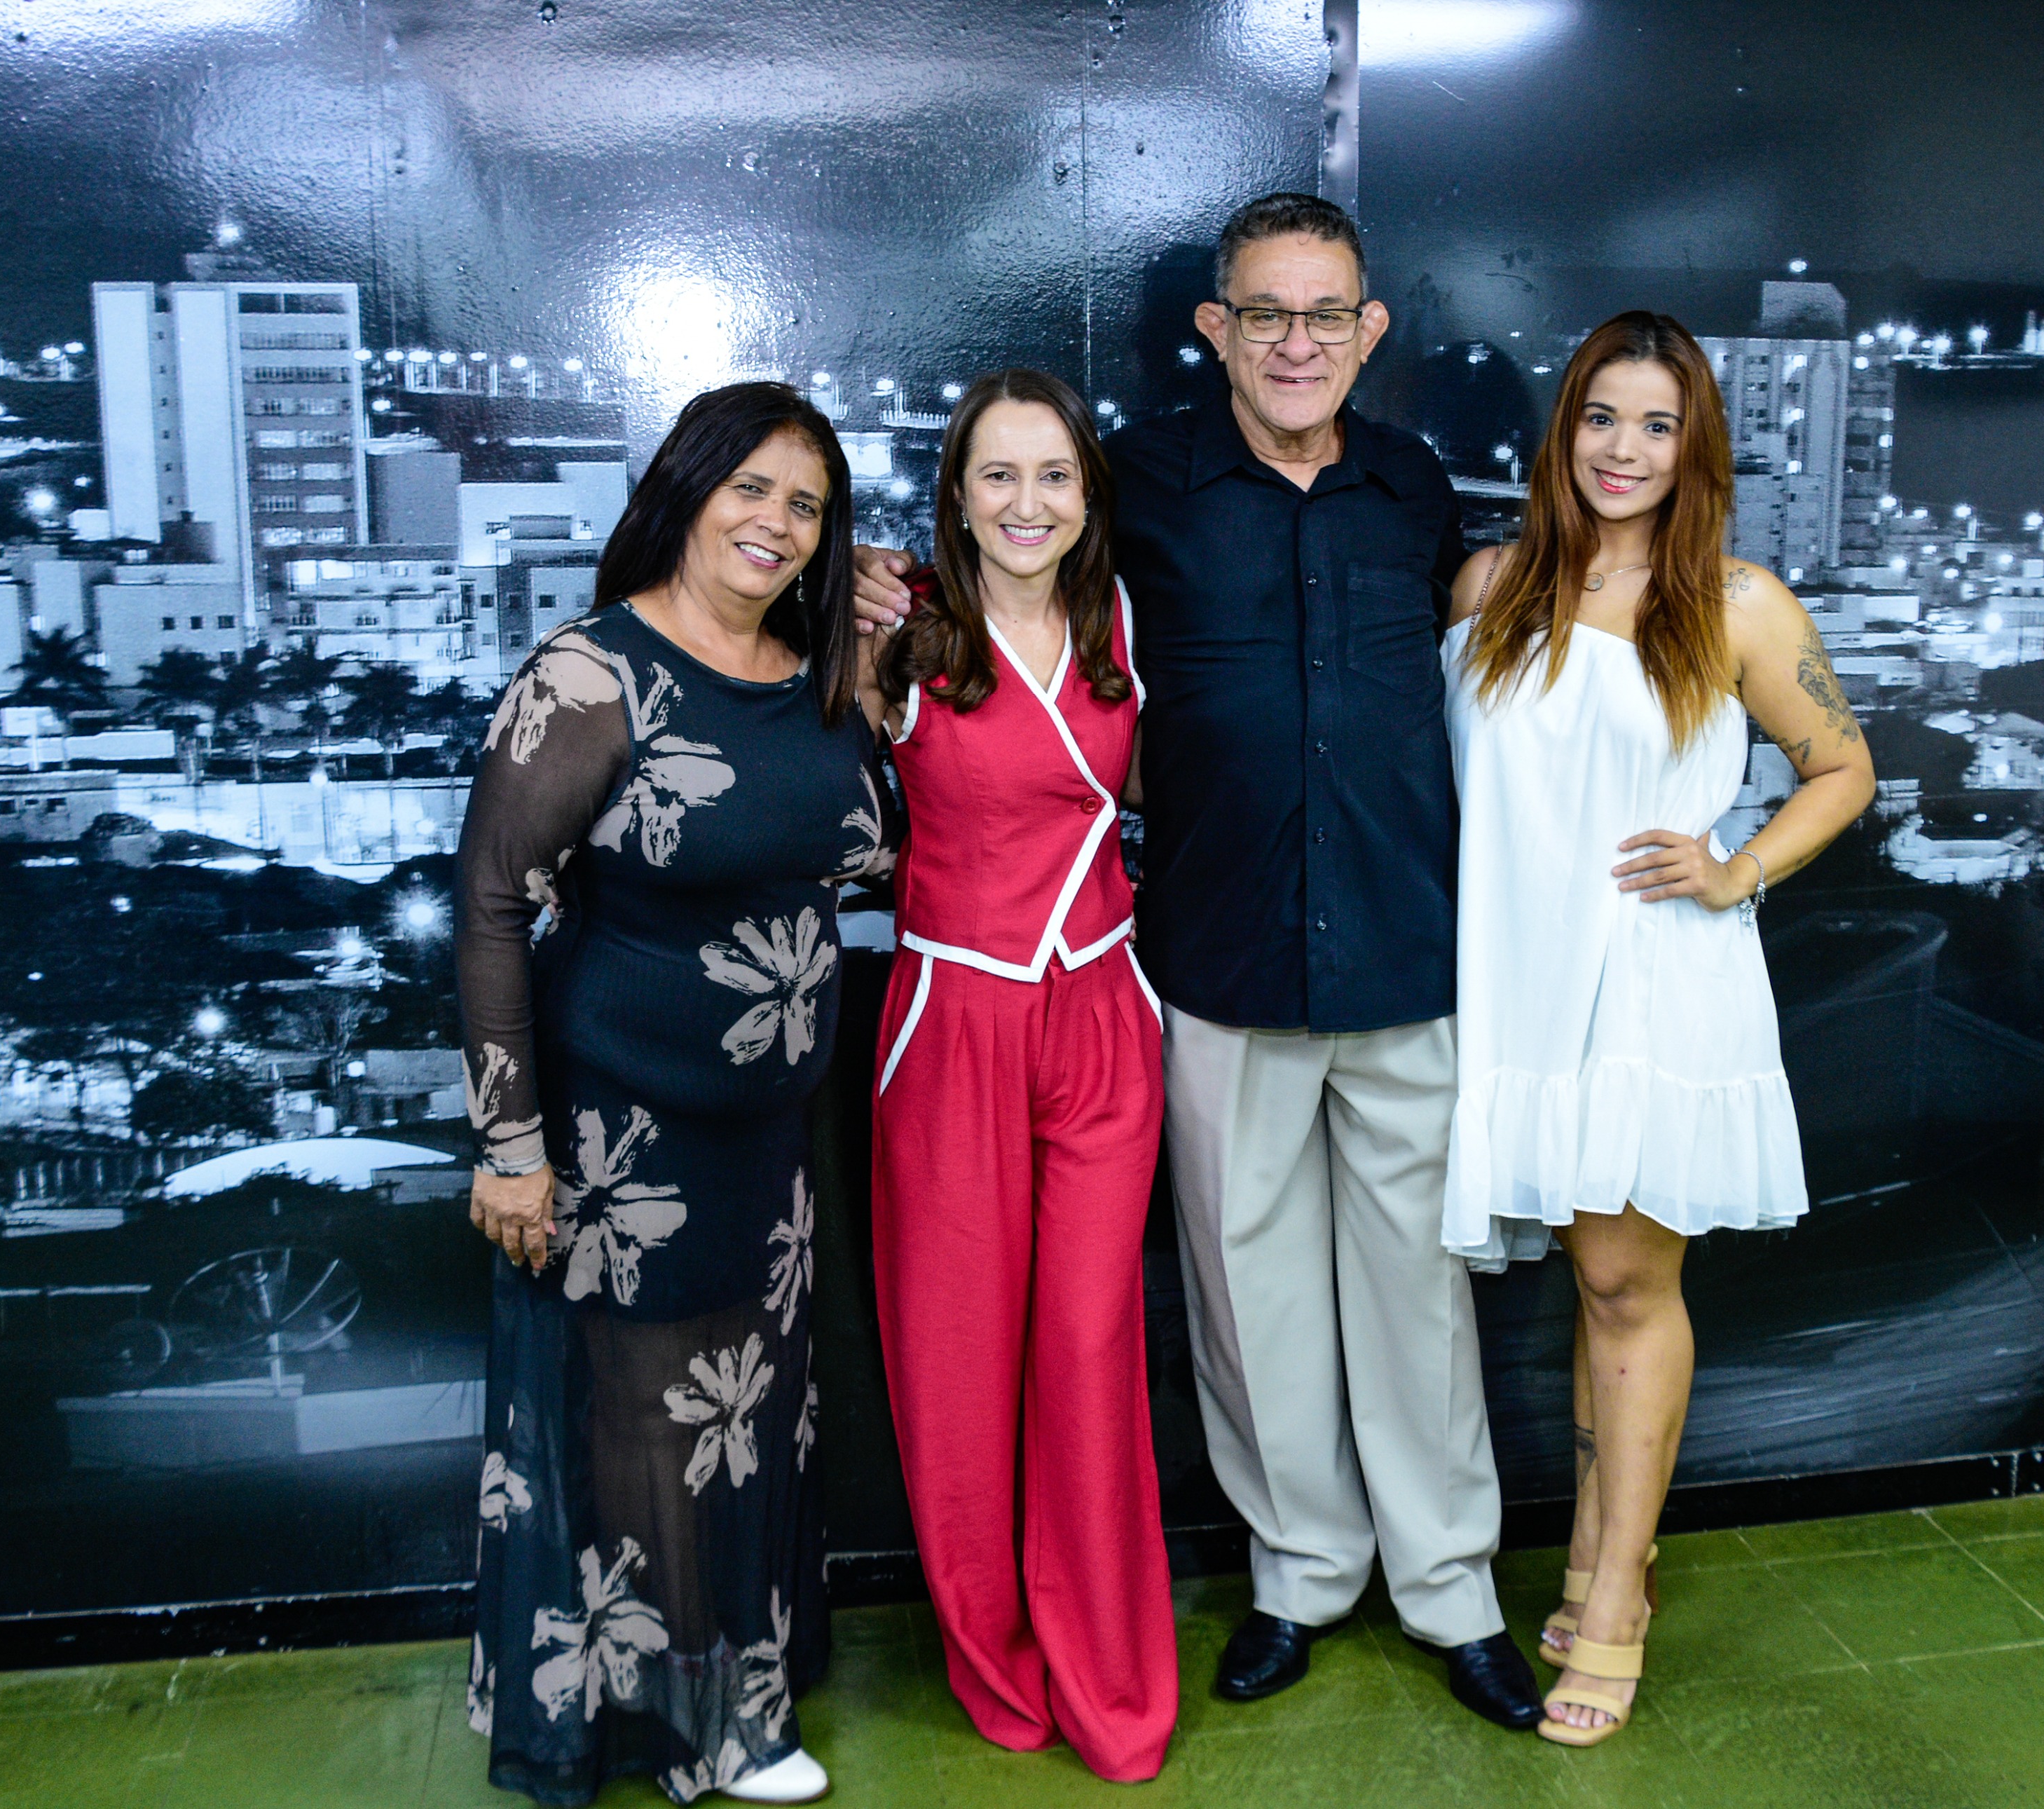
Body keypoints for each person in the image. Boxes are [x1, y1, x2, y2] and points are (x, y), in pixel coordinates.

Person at [856, 193, 1544, 1732]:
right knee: (1249, 1304)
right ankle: (1300, 1577)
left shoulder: (1413, 485)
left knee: (1421, 1307)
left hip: (1403, 951)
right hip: (1212, 965)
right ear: (1216, 327)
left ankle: (1451, 1591)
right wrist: (878, 589)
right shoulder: (1137, 487)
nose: (1298, 343)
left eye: (1327, 315)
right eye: (1266, 314)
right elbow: (1011, 583)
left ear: (1367, 330)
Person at [457, 382, 893, 1807]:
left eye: (807, 504)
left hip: (767, 1134)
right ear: (687, 489)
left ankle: (732, 1686)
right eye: (751, 487)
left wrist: (890, 646)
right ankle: (706, 1730)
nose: (778, 522)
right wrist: (510, 1145)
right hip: (618, 1133)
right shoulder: (593, 675)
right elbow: (491, 905)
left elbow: (872, 849)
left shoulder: (815, 672)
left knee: (743, 1419)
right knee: (653, 1425)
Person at [1443, 311, 1875, 1747]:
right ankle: (1592, 1559)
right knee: (1595, 1278)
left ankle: (1618, 1599)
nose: (1622, 449)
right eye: (1599, 417)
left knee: (1629, 1281)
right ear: (1562, 430)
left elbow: (1841, 767)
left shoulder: (1739, 603)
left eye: (1657, 424)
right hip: (1522, 983)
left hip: (1653, 982)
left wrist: (1736, 868)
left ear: (1696, 449)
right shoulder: (1493, 585)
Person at [855, 368, 1177, 1782]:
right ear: (957, 492)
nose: (1027, 502)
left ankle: (1107, 1669)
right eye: (998, 474)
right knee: (958, 1362)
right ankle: (994, 1661)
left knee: (1091, 1354)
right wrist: (849, 585)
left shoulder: (1122, 625)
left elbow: (1161, 781)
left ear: (1089, 493)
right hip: (955, 1024)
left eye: (1054, 474)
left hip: (1102, 1016)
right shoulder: (899, 633)